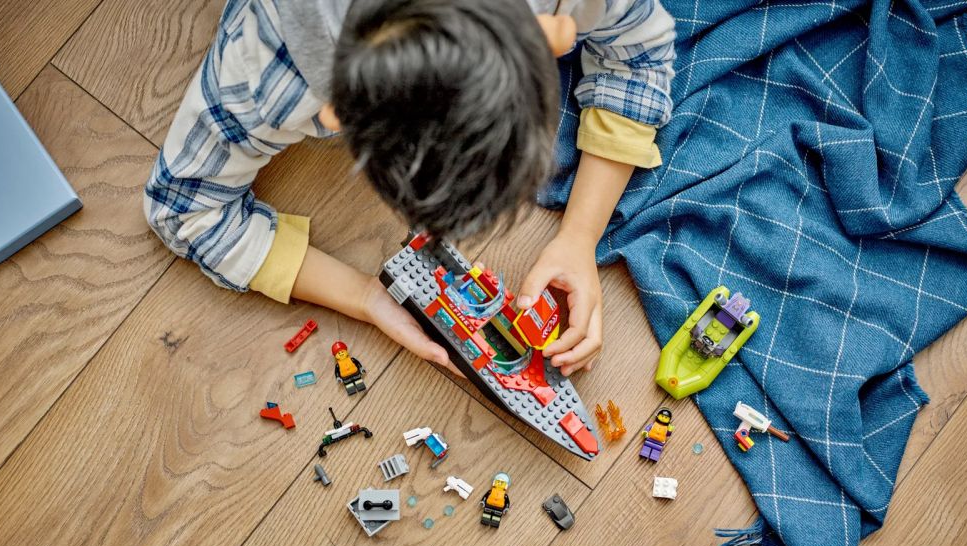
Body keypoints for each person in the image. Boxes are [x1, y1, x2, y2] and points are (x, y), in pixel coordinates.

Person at [145, 0, 675, 376]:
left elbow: (640, 53)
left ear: (551, 33)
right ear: (335, 114)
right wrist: (363, 296)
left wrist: (580, 236)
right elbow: (186, 212)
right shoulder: (268, 75)